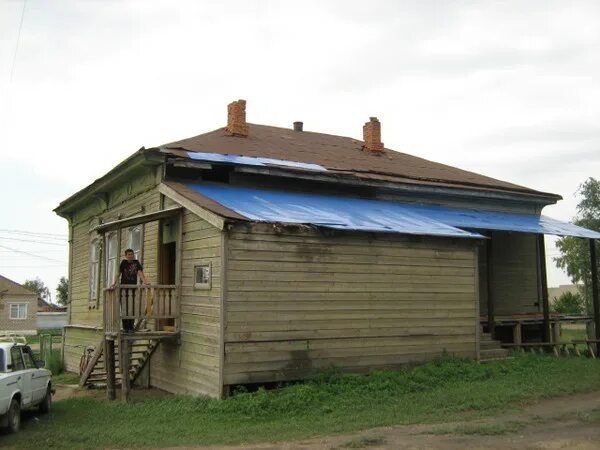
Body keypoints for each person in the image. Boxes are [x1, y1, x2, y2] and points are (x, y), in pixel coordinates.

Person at [111, 248, 148, 332]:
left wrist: (145, 282)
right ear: (126, 256)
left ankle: (131, 327)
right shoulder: (123, 263)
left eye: (132, 254)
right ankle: (125, 327)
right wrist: (114, 283)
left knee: (132, 308)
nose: (131, 256)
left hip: (133, 289)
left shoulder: (136, 263)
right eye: (129, 254)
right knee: (124, 308)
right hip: (124, 290)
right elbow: (118, 273)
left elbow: (140, 273)